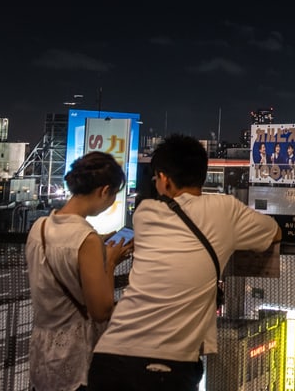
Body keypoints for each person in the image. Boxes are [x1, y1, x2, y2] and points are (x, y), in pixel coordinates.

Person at [88, 133, 281, 391]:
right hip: (170, 364)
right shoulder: (226, 210)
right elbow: (274, 232)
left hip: (109, 356)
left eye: (156, 178)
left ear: (165, 180)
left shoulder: (144, 213)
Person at [25, 151, 132, 391]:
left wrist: (101, 246)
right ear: (104, 191)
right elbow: (101, 310)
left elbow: (64, 254)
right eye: (113, 195)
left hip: (42, 352)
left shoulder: (39, 228)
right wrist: (110, 261)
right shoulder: (87, 239)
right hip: (74, 359)